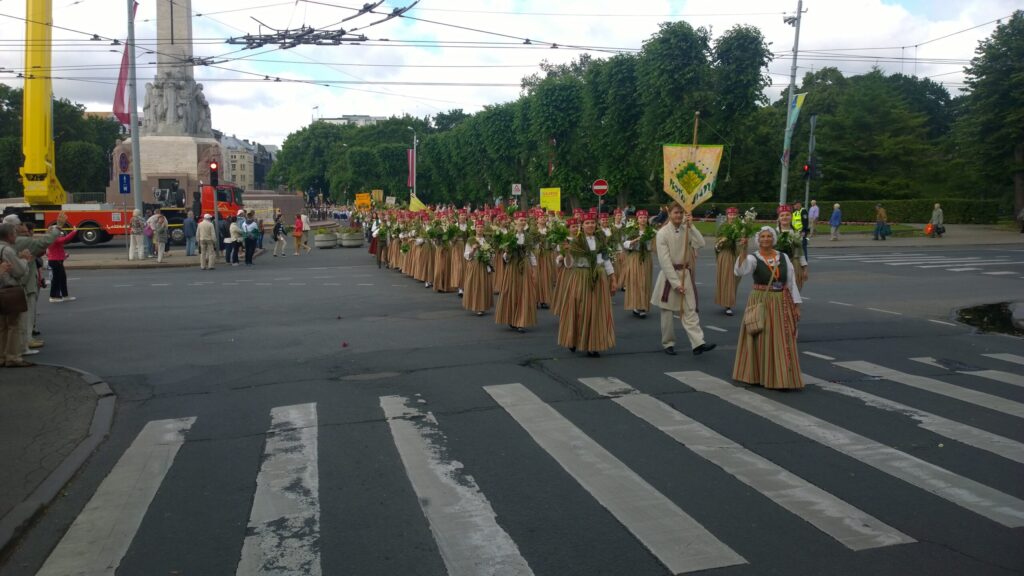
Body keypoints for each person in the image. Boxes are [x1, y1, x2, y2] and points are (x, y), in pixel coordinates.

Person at [732, 227, 803, 390]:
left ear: (774, 239)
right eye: (762, 236)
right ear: (758, 240)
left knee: (781, 339)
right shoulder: (753, 258)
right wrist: (743, 251)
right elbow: (740, 270)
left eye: (769, 236)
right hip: (761, 300)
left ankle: (781, 377)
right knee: (761, 336)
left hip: (781, 301)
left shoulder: (783, 257)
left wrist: (797, 306)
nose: (766, 239)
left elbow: (791, 284)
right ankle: (758, 374)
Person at [651, 204, 716, 356]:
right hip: (669, 277)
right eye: (676, 212)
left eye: (681, 212)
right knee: (667, 313)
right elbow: (665, 261)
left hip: (685, 274)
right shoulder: (662, 233)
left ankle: (698, 343)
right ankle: (668, 343)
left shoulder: (686, 228)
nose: (679, 215)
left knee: (690, 309)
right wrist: (675, 283)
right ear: (670, 213)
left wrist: (691, 226)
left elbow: (700, 243)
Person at [558, 209, 617, 357]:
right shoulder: (576, 241)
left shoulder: (600, 240)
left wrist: (613, 277)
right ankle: (574, 339)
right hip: (581, 275)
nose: (590, 225)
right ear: (582, 225)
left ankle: (594, 344)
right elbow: (569, 264)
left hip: (598, 275)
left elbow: (606, 258)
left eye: (592, 222)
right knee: (579, 308)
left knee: (597, 309)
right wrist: (566, 254)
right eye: (587, 223)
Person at [495, 212, 537, 333]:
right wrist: (507, 252)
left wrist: (534, 269)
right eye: (520, 220)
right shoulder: (509, 235)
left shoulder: (528, 237)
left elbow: (531, 254)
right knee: (511, 292)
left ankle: (521, 321)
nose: (523, 222)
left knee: (524, 292)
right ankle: (511, 317)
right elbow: (505, 258)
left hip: (525, 266)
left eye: (524, 220)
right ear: (515, 222)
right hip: (512, 266)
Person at [0, 223, 34, 367]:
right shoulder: (7, 250)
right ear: (9, 236)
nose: (16, 236)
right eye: (15, 233)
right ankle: (13, 357)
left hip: (1, 289)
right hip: (10, 290)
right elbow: (19, 271)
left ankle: (2, 356)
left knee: (2, 326)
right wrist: (25, 259)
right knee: (14, 325)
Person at [621, 209, 654, 318]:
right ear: (637, 219)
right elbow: (625, 244)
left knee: (645, 282)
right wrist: (635, 241)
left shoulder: (651, 231)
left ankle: (643, 305)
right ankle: (637, 305)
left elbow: (656, 244)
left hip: (647, 257)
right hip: (635, 257)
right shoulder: (632, 231)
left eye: (645, 217)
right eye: (641, 218)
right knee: (636, 281)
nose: (643, 219)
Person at [462, 219, 494, 316]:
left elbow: (492, 254)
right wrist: (473, 250)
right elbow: (467, 255)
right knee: (474, 284)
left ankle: (482, 306)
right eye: (478, 227)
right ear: (475, 228)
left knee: (483, 285)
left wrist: (488, 256)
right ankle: (475, 305)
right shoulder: (471, 240)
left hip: (484, 264)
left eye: (481, 227)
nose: (479, 229)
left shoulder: (487, 240)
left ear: (484, 229)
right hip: (474, 264)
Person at [714, 207, 740, 316]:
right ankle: (728, 304)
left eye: (734, 215)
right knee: (727, 279)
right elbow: (717, 244)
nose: (732, 217)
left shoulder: (740, 227)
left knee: (735, 280)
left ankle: (727, 301)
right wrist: (721, 242)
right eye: (730, 214)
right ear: (727, 215)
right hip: (726, 254)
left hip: (737, 254)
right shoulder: (723, 227)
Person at [46, 214, 77, 303]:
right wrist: (74, 231)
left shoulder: (53, 238)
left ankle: (64, 295)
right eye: (57, 230)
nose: (59, 232)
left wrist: (64, 255)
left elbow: (58, 249)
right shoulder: (53, 238)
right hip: (55, 261)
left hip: (57, 260)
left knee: (62, 278)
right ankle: (53, 296)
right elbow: (65, 239)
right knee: (56, 279)